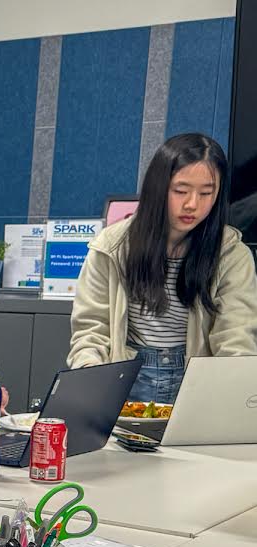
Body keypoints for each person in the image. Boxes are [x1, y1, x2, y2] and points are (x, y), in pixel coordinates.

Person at [69, 132, 257, 402]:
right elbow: (92, 329)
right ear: (159, 187)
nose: (193, 204)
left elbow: (236, 339)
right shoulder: (110, 247)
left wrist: (232, 397)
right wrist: (90, 375)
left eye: (206, 193)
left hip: (197, 387)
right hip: (126, 382)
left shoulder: (230, 254)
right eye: (181, 191)